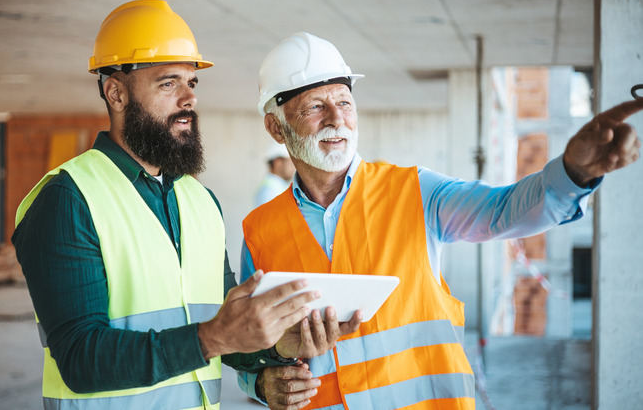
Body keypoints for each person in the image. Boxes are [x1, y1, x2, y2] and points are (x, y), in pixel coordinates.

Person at [239, 32, 642, 409]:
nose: (336, 118)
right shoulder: (259, 230)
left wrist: (572, 173)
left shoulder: (414, 190)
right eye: (315, 106)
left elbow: (504, 211)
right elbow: (243, 347)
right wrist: (261, 384)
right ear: (277, 126)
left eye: (344, 102)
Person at [12, 4, 360, 410]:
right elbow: (80, 358)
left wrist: (277, 344)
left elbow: (223, 331)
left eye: (191, 82)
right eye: (168, 83)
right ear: (116, 92)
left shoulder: (199, 201)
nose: (189, 96)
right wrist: (213, 338)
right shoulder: (68, 198)